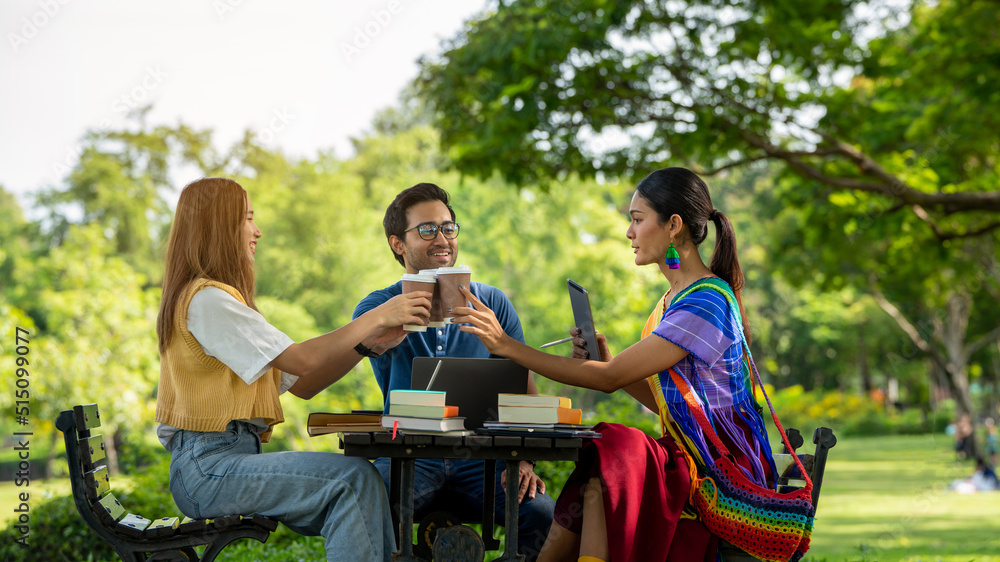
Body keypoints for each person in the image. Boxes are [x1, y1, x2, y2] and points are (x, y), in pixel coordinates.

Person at [453, 167, 779, 562]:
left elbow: (609, 380)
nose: (629, 232)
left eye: (638, 220)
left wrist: (505, 345)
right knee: (603, 474)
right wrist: (606, 361)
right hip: (688, 457)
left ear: (673, 225)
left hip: (721, 467)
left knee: (613, 446)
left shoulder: (707, 301)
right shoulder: (671, 301)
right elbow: (662, 402)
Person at [155, 178, 432, 562]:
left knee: (360, 483)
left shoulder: (217, 300)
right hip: (208, 469)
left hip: (222, 461)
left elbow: (302, 383)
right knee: (354, 480)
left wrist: (366, 345)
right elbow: (301, 358)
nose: (257, 230)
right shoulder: (208, 300)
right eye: (248, 218)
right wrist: (377, 315)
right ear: (219, 226)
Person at [350, 182, 556, 560]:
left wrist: (524, 458)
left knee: (542, 515)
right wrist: (392, 324)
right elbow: (355, 349)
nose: (442, 238)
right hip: (408, 457)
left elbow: (524, 389)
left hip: (483, 460)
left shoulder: (492, 302)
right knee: (362, 504)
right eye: (427, 229)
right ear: (398, 244)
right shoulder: (379, 306)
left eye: (448, 227)